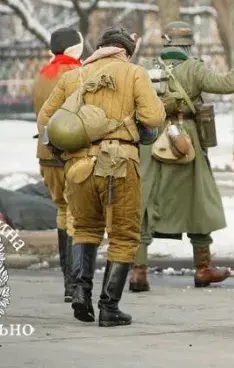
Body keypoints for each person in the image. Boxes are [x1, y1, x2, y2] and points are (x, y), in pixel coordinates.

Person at [38, 27, 165, 326]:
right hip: (120, 163)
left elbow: (46, 118)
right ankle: (109, 307)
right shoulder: (134, 73)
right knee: (123, 234)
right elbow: (154, 118)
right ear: (125, 51)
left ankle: (80, 292)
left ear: (99, 48)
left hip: (79, 164)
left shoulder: (73, 77)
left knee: (84, 228)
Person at [130, 21, 234, 292]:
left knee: (145, 201)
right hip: (185, 140)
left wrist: (131, 54)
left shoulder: (145, 69)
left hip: (151, 139)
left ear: (166, 44)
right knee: (197, 201)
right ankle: (202, 268)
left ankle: (138, 271)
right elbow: (230, 83)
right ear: (189, 46)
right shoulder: (194, 68)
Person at [31, 27, 84, 302]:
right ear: (76, 49)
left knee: (62, 210)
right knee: (77, 214)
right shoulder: (78, 74)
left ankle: (68, 283)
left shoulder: (42, 75)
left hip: (46, 154)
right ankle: (76, 284)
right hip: (72, 152)